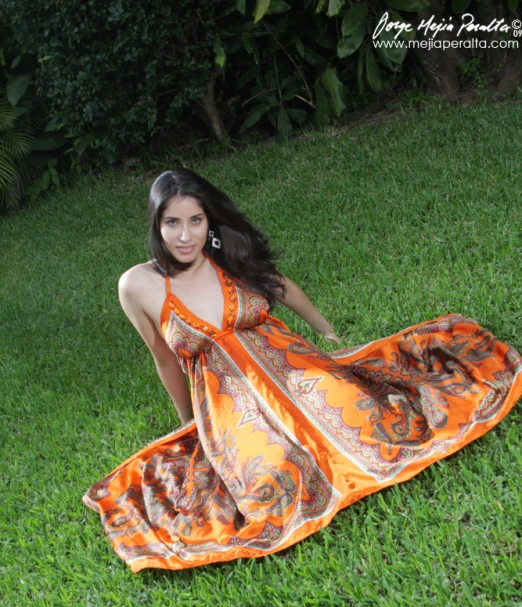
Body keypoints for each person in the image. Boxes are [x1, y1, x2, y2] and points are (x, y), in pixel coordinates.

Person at [82, 167, 522, 573]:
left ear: (209, 220)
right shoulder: (136, 285)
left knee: (369, 421)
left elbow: (278, 284)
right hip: (228, 402)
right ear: (155, 225)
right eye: (172, 223)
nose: (185, 236)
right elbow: (164, 356)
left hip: (295, 366)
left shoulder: (226, 253)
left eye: (195, 220)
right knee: (274, 478)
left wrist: (326, 331)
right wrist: (187, 420)